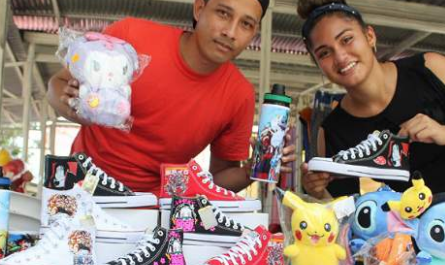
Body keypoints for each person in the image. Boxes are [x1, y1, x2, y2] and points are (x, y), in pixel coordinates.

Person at [48, 0, 295, 194]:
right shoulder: (132, 35)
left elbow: (218, 178)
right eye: (223, 13)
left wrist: (252, 170)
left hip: (155, 212)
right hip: (80, 183)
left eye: (246, 24)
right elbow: (56, 84)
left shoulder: (239, 96)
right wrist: (71, 106)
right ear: (199, 9)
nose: (231, 32)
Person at [298, 0, 445, 202]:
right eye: (324, 53)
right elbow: (343, 214)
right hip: (419, 229)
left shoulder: (429, 68)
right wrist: (318, 191)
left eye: (347, 39)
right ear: (317, 63)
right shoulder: (334, 129)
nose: (340, 56)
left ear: (370, 36)